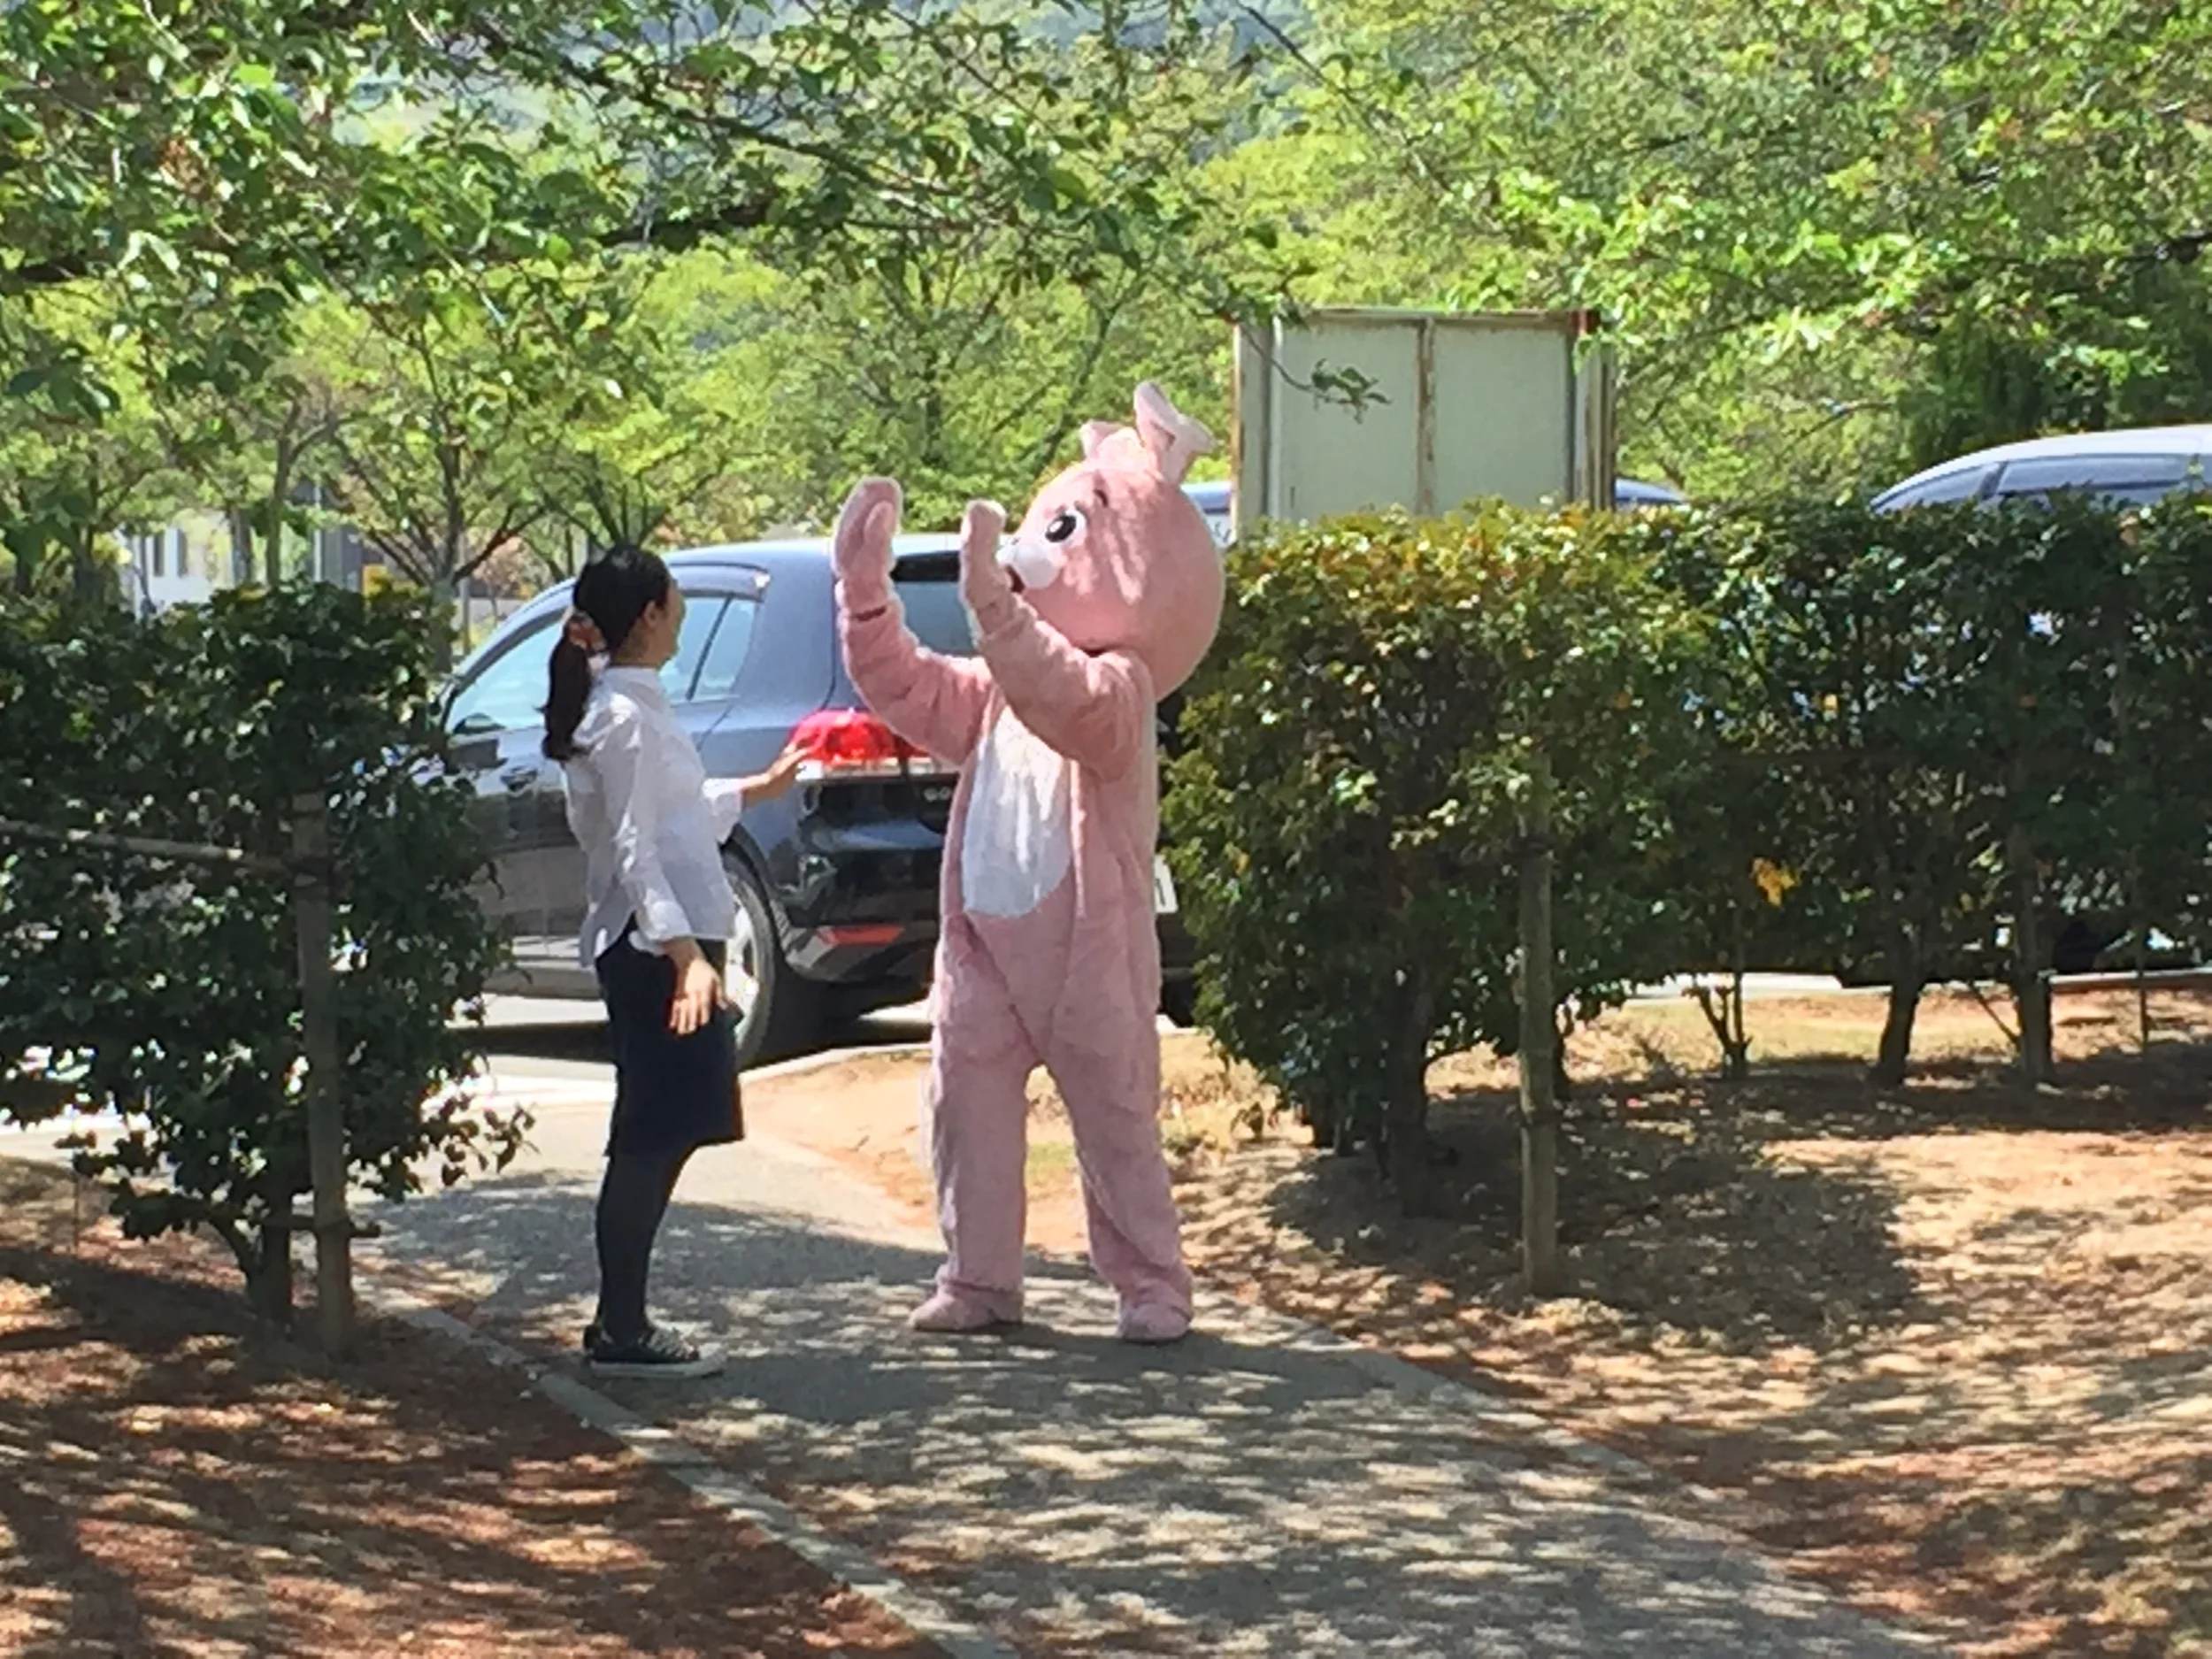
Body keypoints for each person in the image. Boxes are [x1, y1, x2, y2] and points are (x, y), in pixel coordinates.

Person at [542, 545, 803, 1379]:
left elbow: (677, 814)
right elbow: (634, 849)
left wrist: (758, 789)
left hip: (670, 942)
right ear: (651, 612)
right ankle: (622, 1327)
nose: (683, 605)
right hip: (654, 947)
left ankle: (621, 1318)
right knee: (652, 1134)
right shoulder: (622, 716)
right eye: (674, 594)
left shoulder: (634, 705)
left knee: (672, 1127)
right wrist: (686, 956)